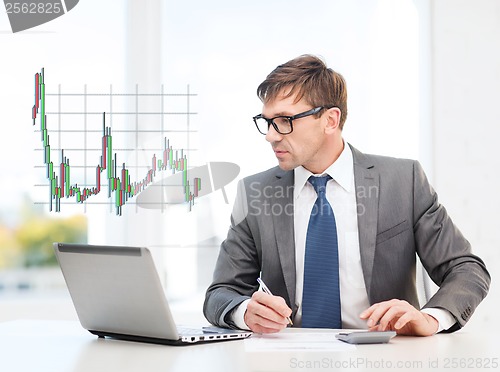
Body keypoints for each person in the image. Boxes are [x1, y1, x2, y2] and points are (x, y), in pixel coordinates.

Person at [203, 54, 490, 336]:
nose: (271, 135)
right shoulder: (256, 192)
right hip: (287, 356)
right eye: (267, 122)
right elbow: (221, 293)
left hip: (383, 354)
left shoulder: (403, 181)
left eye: (285, 120)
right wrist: (243, 311)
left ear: (330, 120)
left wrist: (430, 318)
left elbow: (467, 269)